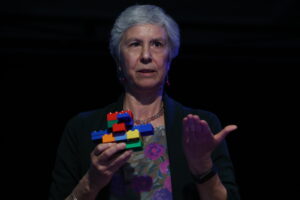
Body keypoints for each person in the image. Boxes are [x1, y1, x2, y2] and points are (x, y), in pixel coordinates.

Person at [49, 4, 240, 200]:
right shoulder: (81, 128)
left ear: (170, 58)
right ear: (118, 59)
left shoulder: (199, 126)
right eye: (135, 44)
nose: (146, 56)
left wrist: (202, 167)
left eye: (157, 44)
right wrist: (91, 181)